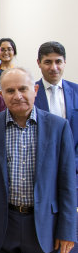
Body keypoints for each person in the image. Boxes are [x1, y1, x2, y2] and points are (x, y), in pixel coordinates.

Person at [0, 68, 76, 253]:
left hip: (45, 226)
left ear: (35, 90)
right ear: (1, 95)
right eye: (10, 91)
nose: (17, 96)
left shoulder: (58, 127)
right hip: (0, 226)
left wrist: (67, 229)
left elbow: (67, 183)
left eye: (23, 89)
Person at [34, 41, 78, 179]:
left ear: (65, 62)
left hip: (74, 170)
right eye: (48, 62)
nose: (54, 67)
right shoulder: (29, 93)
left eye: (58, 61)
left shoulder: (76, 92)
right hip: (39, 171)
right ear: (39, 63)